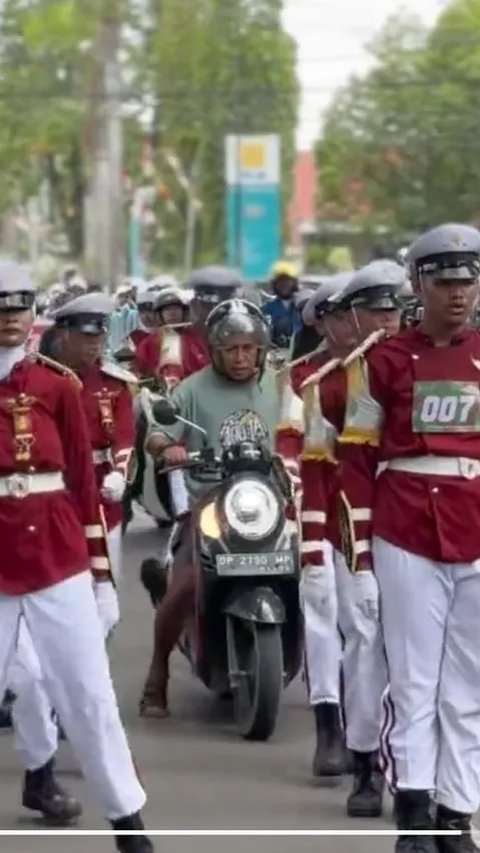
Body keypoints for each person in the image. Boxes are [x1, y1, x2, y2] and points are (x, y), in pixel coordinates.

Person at [0, 261, 153, 852]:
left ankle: (128, 824)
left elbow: (83, 487)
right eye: (1, 308)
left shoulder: (57, 385)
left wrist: (100, 572)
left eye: (19, 307)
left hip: (57, 550)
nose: (10, 318)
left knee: (89, 694)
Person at [338, 224, 480, 852]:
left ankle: (459, 811)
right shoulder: (381, 362)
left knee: (469, 684)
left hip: (475, 526)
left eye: (468, 280)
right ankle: (415, 810)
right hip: (404, 527)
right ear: (419, 284)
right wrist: (361, 557)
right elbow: (355, 462)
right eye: (445, 280)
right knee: (415, 678)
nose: (459, 293)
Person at [139, 298, 303, 718]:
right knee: (186, 585)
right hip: (207, 502)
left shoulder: (280, 386)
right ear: (214, 350)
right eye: (230, 349)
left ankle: (328, 689)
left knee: (312, 580)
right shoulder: (191, 389)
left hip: (267, 503)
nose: (240, 356)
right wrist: (169, 447)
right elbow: (158, 431)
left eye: (248, 347)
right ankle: (158, 676)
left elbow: (302, 427)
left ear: (261, 348)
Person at [53, 293, 137, 591]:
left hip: (103, 492)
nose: (95, 343)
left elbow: (124, 436)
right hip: (58, 491)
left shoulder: (113, 382)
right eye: (86, 336)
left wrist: (120, 473)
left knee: (105, 583)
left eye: (99, 336)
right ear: (64, 334)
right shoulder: (46, 378)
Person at [291, 272, 354, 395]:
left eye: (359, 315)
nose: (354, 323)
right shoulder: (303, 377)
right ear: (320, 326)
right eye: (341, 317)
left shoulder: (388, 365)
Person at [134, 288, 190, 389]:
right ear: (160, 314)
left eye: (176, 308)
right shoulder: (147, 343)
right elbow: (139, 375)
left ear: (184, 311)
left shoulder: (196, 338)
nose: (172, 313)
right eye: (167, 309)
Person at [262, 260, 301, 350]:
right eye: (280, 281)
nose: (284, 284)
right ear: (274, 284)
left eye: (287, 281)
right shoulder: (267, 308)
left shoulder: (302, 306)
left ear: (294, 283)